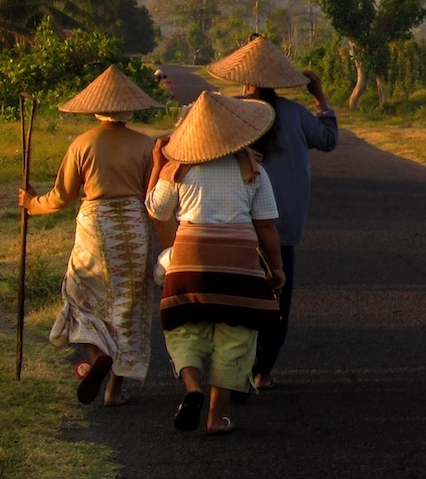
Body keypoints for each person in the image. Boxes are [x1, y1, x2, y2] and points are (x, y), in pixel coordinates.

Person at [18, 65, 163, 406]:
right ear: (130, 108)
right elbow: (154, 195)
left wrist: (30, 204)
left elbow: (61, 197)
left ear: (96, 108)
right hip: (133, 227)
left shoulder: (83, 144)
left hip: (96, 228)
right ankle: (114, 391)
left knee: (80, 294)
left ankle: (98, 356)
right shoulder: (146, 145)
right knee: (127, 308)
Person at [146, 91, 286, 435]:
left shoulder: (177, 168)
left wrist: (156, 165)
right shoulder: (253, 168)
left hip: (189, 261)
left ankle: (192, 389)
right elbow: (266, 225)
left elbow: (156, 210)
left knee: (183, 327)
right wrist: (278, 268)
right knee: (234, 337)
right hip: (238, 263)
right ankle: (214, 419)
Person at [207, 36, 337, 391]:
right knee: (277, 296)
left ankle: (232, 368)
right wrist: (320, 98)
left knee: (235, 297)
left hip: (233, 224)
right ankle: (263, 370)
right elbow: (328, 139)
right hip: (283, 228)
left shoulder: (230, 111)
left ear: (243, 77)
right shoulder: (295, 113)